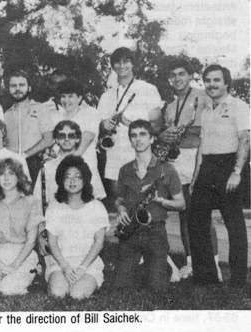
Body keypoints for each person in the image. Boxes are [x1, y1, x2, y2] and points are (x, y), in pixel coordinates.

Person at [157, 60, 219, 280]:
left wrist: (187, 131)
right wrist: (166, 134)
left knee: (201, 212)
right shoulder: (171, 106)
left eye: (181, 74)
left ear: (191, 76)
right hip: (178, 159)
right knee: (184, 212)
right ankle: (191, 263)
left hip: (198, 156)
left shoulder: (203, 96)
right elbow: (166, 132)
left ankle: (214, 264)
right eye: (172, 75)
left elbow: (212, 126)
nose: (177, 78)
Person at [189, 64, 249, 287]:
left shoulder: (238, 106)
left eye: (216, 80)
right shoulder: (205, 110)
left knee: (234, 225)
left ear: (226, 83)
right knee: (196, 221)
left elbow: (245, 139)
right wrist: (195, 178)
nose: (211, 85)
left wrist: (237, 172)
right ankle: (206, 278)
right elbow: (202, 147)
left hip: (229, 165)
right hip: (207, 168)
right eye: (208, 80)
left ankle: (238, 280)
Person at [113, 120, 185, 291]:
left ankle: (162, 266)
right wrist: (121, 209)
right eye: (134, 135)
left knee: (156, 288)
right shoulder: (125, 170)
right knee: (121, 287)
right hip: (130, 232)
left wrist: (162, 201)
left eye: (143, 134)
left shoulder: (167, 169)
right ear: (130, 140)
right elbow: (119, 199)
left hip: (155, 232)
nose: (138, 139)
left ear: (152, 139)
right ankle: (147, 265)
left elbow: (181, 204)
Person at [98, 47, 163, 200]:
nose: (122, 66)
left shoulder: (147, 89)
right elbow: (99, 126)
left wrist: (128, 123)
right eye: (117, 62)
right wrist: (104, 125)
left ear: (133, 64)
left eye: (126, 61)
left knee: (142, 198)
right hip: (114, 153)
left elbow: (157, 125)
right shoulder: (106, 95)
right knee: (119, 199)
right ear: (112, 66)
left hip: (139, 153)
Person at [45, 155, 108, 299]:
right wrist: (65, 267)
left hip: (88, 264)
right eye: (68, 177)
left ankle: (88, 283)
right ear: (61, 180)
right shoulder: (54, 207)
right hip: (61, 263)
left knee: (77, 295)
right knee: (58, 293)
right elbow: (52, 242)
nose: (72, 181)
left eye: (78, 177)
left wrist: (82, 268)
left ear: (85, 180)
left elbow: (99, 243)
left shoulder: (96, 207)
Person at [0, 158, 40, 295]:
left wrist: (14, 266)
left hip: (23, 254)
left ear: (19, 177)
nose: (6, 178)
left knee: (8, 289)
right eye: (2, 174)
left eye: (11, 174)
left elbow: (31, 241)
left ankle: (28, 275)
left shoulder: (31, 202)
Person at [34, 121, 106, 205]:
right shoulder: (47, 167)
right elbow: (37, 201)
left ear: (77, 139)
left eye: (71, 136)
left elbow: (97, 198)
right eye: (62, 136)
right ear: (56, 139)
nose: (66, 139)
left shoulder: (88, 165)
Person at [2, 70, 58, 179]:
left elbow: (49, 139)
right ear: (8, 89)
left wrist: (25, 155)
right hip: (11, 167)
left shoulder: (41, 108)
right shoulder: (6, 114)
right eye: (13, 86)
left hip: (34, 164)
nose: (17, 89)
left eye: (21, 85)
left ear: (29, 88)